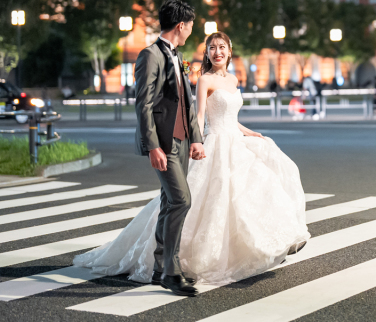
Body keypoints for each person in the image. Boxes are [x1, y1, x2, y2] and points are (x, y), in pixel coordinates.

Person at [74, 24, 309, 292]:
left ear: (230, 51)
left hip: (235, 140)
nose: (217, 52)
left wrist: (249, 132)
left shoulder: (233, 80)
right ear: (207, 54)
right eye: (212, 48)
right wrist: (195, 141)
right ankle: (170, 258)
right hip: (214, 143)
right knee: (201, 199)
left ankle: (261, 244)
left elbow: (232, 119)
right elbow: (199, 117)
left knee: (254, 188)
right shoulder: (205, 80)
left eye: (221, 47)